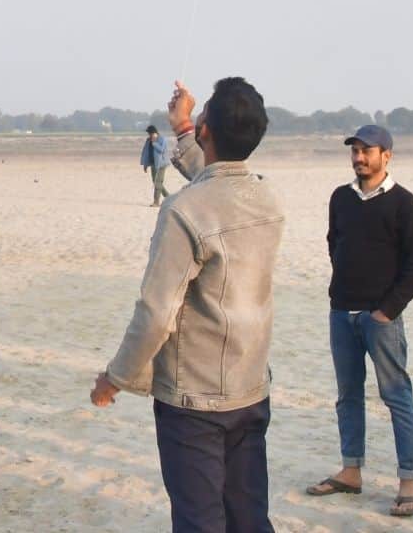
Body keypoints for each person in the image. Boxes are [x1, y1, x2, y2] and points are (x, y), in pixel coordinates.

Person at [92, 78, 284, 533]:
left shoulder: (184, 211)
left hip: (194, 400)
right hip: (250, 387)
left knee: (200, 522)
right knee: (249, 517)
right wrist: (183, 128)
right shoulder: (266, 198)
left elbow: (156, 311)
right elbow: (221, 180)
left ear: (206, 130)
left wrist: (115, 378)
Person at [307, 124, 413, 519]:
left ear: (386, 156)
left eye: (367, 151)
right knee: (348, 395)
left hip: (382, 320)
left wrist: (386, 310)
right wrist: (343, 295)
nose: (359, 158)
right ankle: (351, 470)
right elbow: (334, 244)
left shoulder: (405, 204)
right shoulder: (340, 198)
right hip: (341, 313)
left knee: (397, 397)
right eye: (355, 151)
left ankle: (409, 481)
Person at [141, 125, 172, 207]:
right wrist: (145, 164)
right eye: (149, 134)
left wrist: (154, 143)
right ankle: (169, 197)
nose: (149, 135)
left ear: (154, 132)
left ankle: (156, 202)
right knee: (155, 182)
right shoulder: (148, 140)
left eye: (150, 133)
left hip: (161, 164)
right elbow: (146, 152)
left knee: (158, 182)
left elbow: (161, 150)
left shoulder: (162, 139)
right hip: (153, 164)